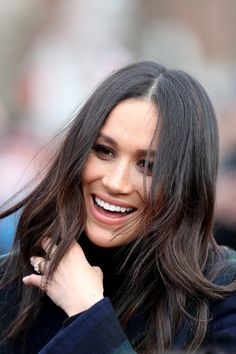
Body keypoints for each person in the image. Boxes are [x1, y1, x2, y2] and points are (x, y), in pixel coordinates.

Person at [0, 61, 236, 354]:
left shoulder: (224, 297)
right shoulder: (11, 282)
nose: (115, 182)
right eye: (104, 151)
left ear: (187, 181)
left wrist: (88, 313)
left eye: (148, 166)